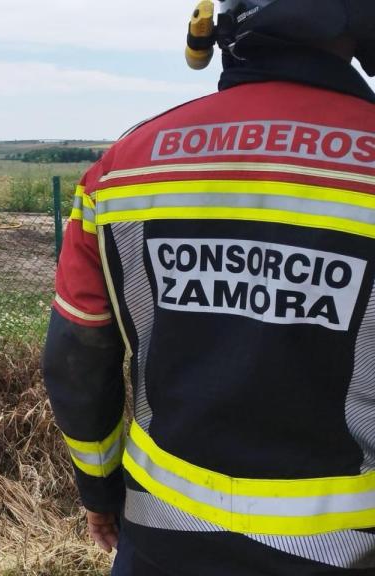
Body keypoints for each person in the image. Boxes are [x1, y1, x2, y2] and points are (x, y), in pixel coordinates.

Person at [42, 0, 375, 574]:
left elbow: (77, 352)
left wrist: (98, 489)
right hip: (345, 548)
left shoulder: (121, 167)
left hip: (160, 539)